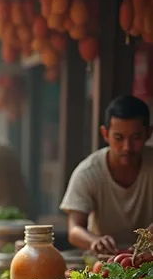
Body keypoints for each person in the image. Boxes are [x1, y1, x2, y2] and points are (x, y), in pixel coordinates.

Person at [61, 94, 153, 255]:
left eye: (135, 137)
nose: (127, 147)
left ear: (149, 133)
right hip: (105, 262)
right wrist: (94, 240)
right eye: (119, 138)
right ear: (105, 134)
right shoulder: (88, 172)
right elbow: (74, 230)